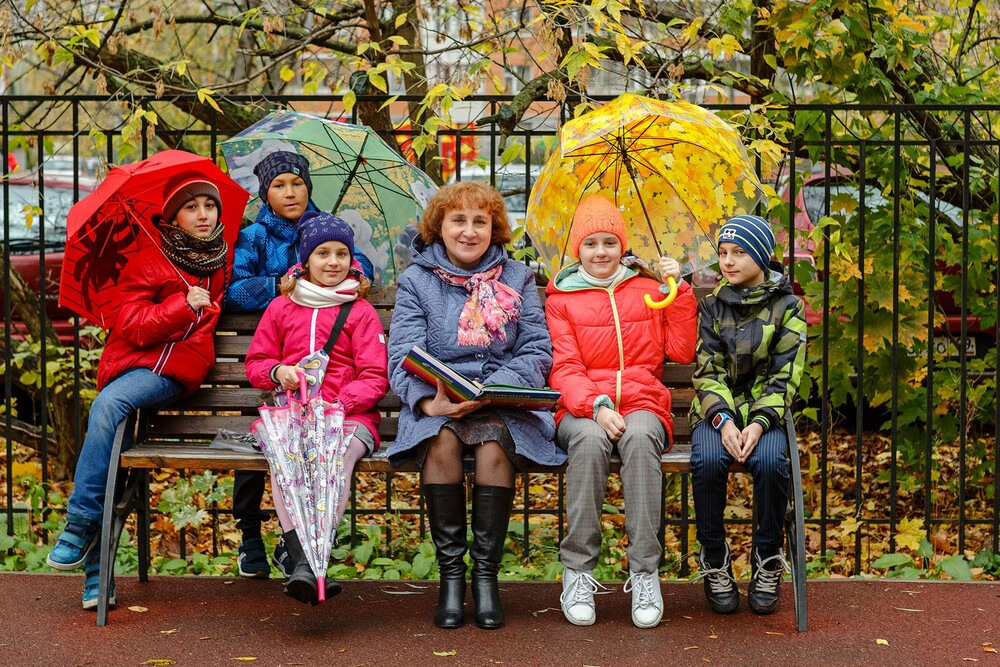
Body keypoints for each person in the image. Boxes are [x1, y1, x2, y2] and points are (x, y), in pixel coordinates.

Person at [46, 173, 230, 610]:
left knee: (112, 408)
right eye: (192, 207)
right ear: (172, 218)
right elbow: (129, 324)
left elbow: (227, 306)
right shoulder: (148, 260)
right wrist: (180, 305)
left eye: (210, 205)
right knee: (116, 444)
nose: (203, 214)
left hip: (175, 373)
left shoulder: (223, 258)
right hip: (136, 366)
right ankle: (89, 545)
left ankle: (82, 532)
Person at [387, 181, 564, 630]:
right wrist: (429, 402)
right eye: (458, 221)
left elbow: (537, 348)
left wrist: (497, 386)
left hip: (500, 399)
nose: (469, 231)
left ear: (494, 228)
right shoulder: (416, 280)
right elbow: (402, 351)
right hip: (439, 398)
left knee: (492, 448)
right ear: (439, 227)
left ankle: (485, 577)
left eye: (480, 222)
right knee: (442, 443)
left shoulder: (518, 276)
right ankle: (451, 578)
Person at [545, 194, 698, 628]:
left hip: (642, 401)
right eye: (590, 243)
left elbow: (680, 349)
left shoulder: (648, 289)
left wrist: (679, 291)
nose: (600, 252)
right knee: (591, 442)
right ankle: (578, 570)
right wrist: (594, 405)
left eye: (609, 243)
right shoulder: (562, 298)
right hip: (581, 406)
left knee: (640, 436)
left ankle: (645, 572)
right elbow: (564, 366)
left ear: (622, 246)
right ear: (578, 248)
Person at [225, 150, 374, 580]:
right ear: (265, 193)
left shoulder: (327, 230)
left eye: (297, 183)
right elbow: (234, 290)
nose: (290, 192)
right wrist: (278, 286)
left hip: (328, 369)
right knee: (266, 443)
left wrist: (331, 267)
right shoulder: (254, 236)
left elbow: (359, 270)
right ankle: (250, 534)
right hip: (272, 358)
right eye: (279, 186)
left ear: (308, 186)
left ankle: (300, 548)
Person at [244, 210, 388, 604]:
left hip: (347, 416)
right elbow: (256, 365)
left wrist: (337, 405)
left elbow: (375, 375)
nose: (333, 262)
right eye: (322, 253)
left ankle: (306, 558)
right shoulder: (281, 308)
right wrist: (279, 372)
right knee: (283, 458)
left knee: (335, 457)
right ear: (305, 260)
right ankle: (305, 557)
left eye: (341, 253)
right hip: (290, 414)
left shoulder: (359, 311)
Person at [689, 214, 806, 616]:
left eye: (739, 253)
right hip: (716, 412)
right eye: (723, 253)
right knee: (706, 459)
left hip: (764, 414)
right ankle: (715, 559)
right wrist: (722, 422)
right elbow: (707, 371)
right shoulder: (711, 306)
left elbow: (785, 375)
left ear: (761, 255)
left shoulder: (789, 307)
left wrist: (757, 423)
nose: (728, 262)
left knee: (772, 461)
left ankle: (767, 558)